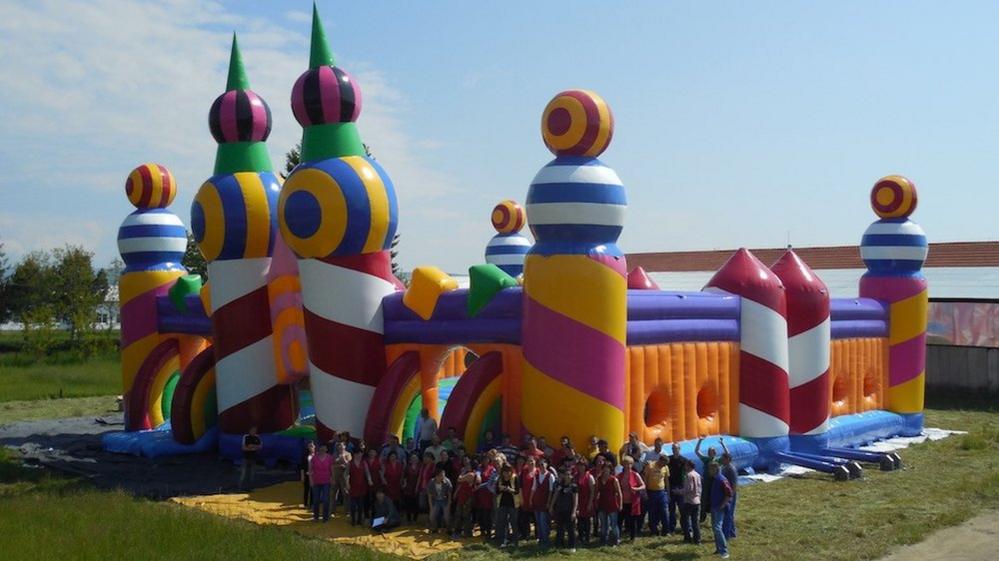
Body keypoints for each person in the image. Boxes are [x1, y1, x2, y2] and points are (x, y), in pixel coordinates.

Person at [696, 437, 729, 524]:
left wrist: (722, 444)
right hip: (706, 483)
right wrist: (700, 441)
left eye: (712, 452)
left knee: (714, 499)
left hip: (715, 483)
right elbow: (697, 452)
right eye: (709, 452)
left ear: (715, 453)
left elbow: (727, 454)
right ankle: (702, 517)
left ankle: (715, 517)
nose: (711, 453)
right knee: (703, 499)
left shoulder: (718, 460)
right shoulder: (706, 460)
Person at [549, 468, 579, 551]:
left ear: (572, 476)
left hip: (569, 510)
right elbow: (555, 496)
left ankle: (572, 546)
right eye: (566, 474)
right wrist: (551, 506)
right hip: (560, 510)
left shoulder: (574, 487)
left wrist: (574, 512)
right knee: (559, 528)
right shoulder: (560, 485)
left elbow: (575, 500)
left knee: (570, 529)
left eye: (569, 474)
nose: (568, 476)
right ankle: (559, 544)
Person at [616, 455, 645, 541]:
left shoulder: (635, 474)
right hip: (622, 502)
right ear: (623, 465)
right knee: (619, 520)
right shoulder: (619, 476)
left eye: (629, 464)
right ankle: (618, 537)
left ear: (632, 465)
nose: (628, 466)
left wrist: (636, 489)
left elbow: (643, 485)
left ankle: (632, 537)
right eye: (626, 464)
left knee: (632, 521)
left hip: (633, 502)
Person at [707, 463, 733, 558]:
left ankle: (724, 551)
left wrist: (722, 505)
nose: (709, 471)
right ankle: (718, 549)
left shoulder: (721, 479)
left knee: (717, 528)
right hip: (714, 507)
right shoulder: (715, 479)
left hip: (719, 508)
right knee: (715, 528)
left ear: (715, 469)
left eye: (710, 469)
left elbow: (729, 494)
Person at [594, 463, 622, 546]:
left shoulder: (614, 480)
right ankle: (603, 540)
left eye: (608, 469)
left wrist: (620, 504)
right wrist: (595, 502)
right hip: (602, 504)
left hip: (612, 504)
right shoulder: (598, 479)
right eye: (604, 469)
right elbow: (596, 492)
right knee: (603, 524)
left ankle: (616, 539)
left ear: (610, 470)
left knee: (613, 524)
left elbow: (619, 493)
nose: (606, 471)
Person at [643, 453, 670, 536]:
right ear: (660, 460)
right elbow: (645, 479)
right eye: (663, 464)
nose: (664, 466)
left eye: (665, 464)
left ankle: (666, 531)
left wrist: (668, 493)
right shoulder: (650, 466)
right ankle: (653, 531)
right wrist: (645, 492)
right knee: (652, 512)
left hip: (662, 492)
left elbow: (666, 480)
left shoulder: (665, 468)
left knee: (664, 512)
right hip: (651, 492)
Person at [495, 464, 520, 548]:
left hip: (513, 504)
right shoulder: (500, 479)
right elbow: (496, 491)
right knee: (502, 522)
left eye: (509, 471)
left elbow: (517, 491)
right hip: (502, 503)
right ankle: (504, 540)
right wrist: (501, 489)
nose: (507, 473)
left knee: (513, 522)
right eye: (505, 472)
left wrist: (509, 489)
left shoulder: (515, 477)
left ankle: (515, 541)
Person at [451, 462, 479, 537]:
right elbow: (461, 484)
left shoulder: (471, 474)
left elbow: (459, 479)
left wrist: (462, 472)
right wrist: (456, 493)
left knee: (463, 514)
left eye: (469, 465)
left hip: (466, 497)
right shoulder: (472, 474)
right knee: (463, 514)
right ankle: (465, 531)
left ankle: (462, 531)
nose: (467, 466)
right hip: (463, 496)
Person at [475, 454, 499, 540]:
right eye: (483, 459)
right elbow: (477, 473)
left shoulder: (492, 469)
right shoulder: (479, 468)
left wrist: (480, 485)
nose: (485, 461)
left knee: (488, 514)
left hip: (488, 494)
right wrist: (477, 475)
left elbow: (490, 482)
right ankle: (482, 530)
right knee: (481, 513)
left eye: (486, 459)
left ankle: (488, 531)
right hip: (480, 494)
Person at [532, 457, 556, 546]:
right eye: (540, 464)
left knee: (543, 521)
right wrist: (531, 499)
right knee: (538, 522)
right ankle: (541, 539)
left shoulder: (550, 476)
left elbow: (551, 491)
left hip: (545, 502)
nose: (541, 466)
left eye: (543, 464)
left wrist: (548, 503)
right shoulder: (537, 475)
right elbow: (534, 488)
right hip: (537, 501)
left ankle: (545, 540)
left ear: (546, 465)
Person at [574, 456, 595, 546]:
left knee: (587, 521)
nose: (580, 467)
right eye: (579, 466)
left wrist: (590, 503)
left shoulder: (589, 476)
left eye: (582, 466)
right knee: (579, 521)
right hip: (578, 501)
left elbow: (592, 491)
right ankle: (580, 537)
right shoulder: (575, 476)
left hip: (587, 501)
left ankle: (587, 537)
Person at [310, 443, 333, 522]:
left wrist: (332, 478)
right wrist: (311, 480)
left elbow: (331, 469)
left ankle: (325, 517)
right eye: (321, 447)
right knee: (316, 500)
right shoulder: (314, 458)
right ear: (319, 448)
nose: (323, 449)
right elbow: (310, 470)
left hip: (326, 481)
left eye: (324, 448)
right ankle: (316, 517)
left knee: (326, 500)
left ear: (326, 449)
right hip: (316, 481)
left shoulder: (330, 458)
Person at [667, 443, 687, 534]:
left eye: (676, 448)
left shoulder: (684, 460)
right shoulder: (669, 460)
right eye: (673, 448)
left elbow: (687, 475)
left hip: (680, 487)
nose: (674, 450)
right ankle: (671, 528)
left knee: (682, 509)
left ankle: (685, 527)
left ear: (680, 449)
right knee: (671, 509)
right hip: (671, 487)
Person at [348, 451, 372, 526]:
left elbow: (367, 473)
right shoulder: (350, 463)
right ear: (354, 454)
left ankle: (359, 520)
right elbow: (346, 474)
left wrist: (369, 480)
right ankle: (353, 520)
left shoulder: (364, 463)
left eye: (360, 454)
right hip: (353, 486)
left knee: (360, 504)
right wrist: (347, 484)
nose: (359, 455)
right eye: (358, 454)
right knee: (353, 505)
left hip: (362, 486)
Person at [681, 459, 702, 544]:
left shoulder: (689, 475)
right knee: (695, 521)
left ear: (689, 466)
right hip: (697, 500)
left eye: (686, 465)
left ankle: (687, 538)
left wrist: (679, 491)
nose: (685, 467)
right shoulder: (697, 474)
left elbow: (689, 488)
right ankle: (697, 539)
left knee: (684, 520)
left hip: (689, 501)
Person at [426, 468, 453, 532]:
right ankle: (435, 528)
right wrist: (431, 507)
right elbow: (429, 496)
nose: (443, 477)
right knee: (432, 516)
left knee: (447, 517)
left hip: (444, 500)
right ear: (437, 476)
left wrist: (449, 505)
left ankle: (449, 529)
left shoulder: (447, 482)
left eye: (444, 475)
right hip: (435, 500)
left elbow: (449, 495)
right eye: (441, 476)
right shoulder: (431, 482)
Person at [518, 456, 537, 540]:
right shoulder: (524, 471)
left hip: (535, 498)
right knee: (525, 518)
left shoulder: (538, 471)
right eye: (529, 461)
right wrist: (521, 498)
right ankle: (525, 535)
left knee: (536, 518)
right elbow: (520, 486)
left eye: (532, 461)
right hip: (524, 497)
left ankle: (538, 535)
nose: (531, 463)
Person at [720, 452, 738, 539]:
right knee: (729, 514)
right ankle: (732, 532)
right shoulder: (724, 467)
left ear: (728, 459)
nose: (722, 460)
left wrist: (731, 496)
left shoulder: (731, 469)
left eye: (723, 459)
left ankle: (727, 533)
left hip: (730, 494)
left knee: (728, 514)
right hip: (726, 493)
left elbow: (734, 485)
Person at [331, 441, 351, 514]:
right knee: (333, 494)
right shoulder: (334, 455)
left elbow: (349, 466)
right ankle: (332, 510)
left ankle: (347, 511)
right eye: (338, 446)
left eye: (341, 445)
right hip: (335, 476)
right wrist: (332, 477)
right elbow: (331, 466)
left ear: (345, 446)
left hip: (344, 477)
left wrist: (343, 458)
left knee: (345, 494)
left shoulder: (348, 454)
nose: (340, 447)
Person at [239, 426, 262, 490]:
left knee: (252, 473)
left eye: (255, 431)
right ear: (250, 431)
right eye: (252, 430)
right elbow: (243, 448)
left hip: (253, 458)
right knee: (243, 473)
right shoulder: (246, 437)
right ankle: (240, 487)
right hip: (246, 457)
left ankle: (250, 487)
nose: (253, 432)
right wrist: (252, 448)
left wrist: (251, 446)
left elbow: (260, 447)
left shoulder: (257, 437)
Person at [403, 453, 422, 523]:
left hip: (417, 487)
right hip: (408, 487)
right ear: (410, 459)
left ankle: (414, 519)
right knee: (408, 503)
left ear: (418, 459)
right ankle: (408, 519)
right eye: (412, 458)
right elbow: (404, 476)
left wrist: (418, 486)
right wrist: (404, 484)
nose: (414, 459)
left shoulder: (420, 467)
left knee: (416, 504)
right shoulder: (407, 467)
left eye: (415, 458)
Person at [300, 440, 315, 509]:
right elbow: (302, 467)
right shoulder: (305, 456)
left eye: (312, 446)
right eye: (309, 446)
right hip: (307, 475)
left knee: (313, 490)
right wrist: (302, 476)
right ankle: (305, 504)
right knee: (306, 489)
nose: (311, 447)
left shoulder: (316, 455)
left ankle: (312, 504)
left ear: (314, 446)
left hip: (314, 475)